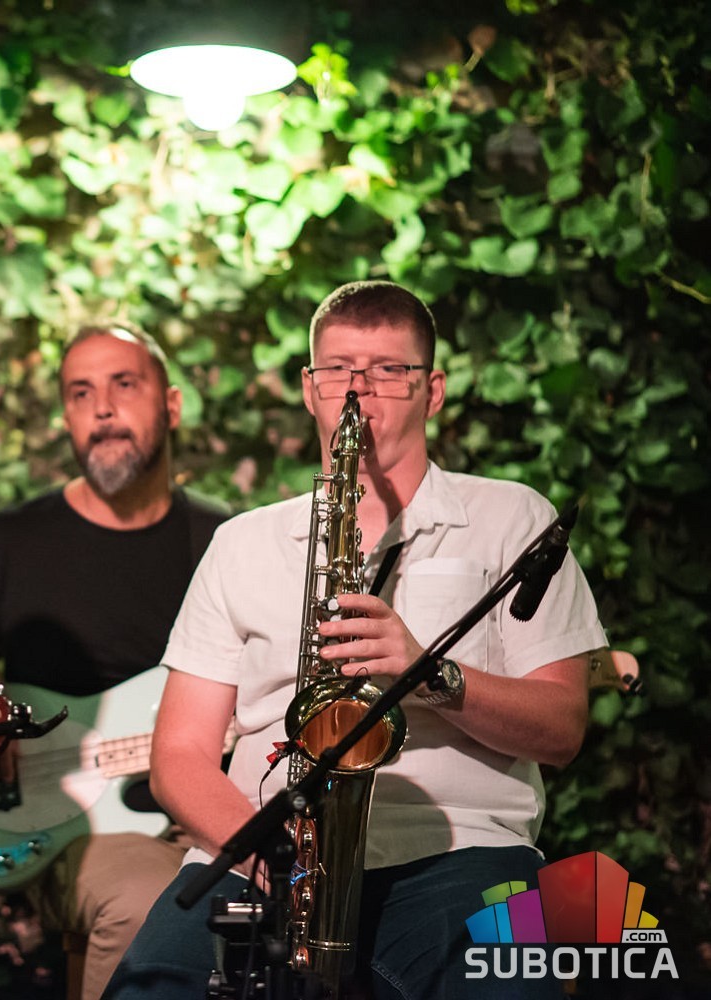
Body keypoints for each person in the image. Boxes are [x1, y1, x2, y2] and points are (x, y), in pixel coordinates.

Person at [104, 281, 606, 1000]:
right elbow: (179, 755)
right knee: (150, 990)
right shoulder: (241, 542)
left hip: (458, 851)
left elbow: (560, 728)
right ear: (309, 388)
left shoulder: (512, 518)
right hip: (266, 850)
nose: (357, 391)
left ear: (432, 391)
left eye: (388, 370)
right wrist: (271, 853)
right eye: (337, 369)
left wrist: (428, 673)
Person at [0, 325, 226, 1000]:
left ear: (172, 406)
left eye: (124, 385)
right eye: (80, 393)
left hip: (214, 805)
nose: (102, 409)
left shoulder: (225, 542)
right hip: (70, 826)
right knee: (145, 901)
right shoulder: (7, 541)